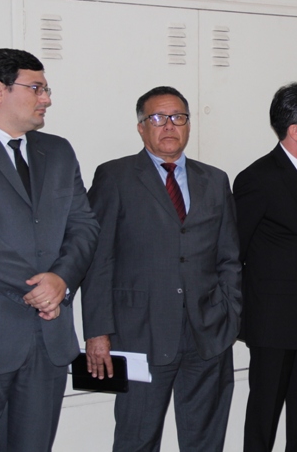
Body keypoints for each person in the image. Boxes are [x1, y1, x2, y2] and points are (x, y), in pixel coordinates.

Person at [0, 48, 99, 451]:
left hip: (48, 342)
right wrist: (37, 287)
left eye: (46, 89)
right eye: (36, 88)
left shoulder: (59, 151)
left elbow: (84, 226)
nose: (46, 98)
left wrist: (61, 279)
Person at [81, 86, 242, 451]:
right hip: (140, 335)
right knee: (137, 439)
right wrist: (98, 332)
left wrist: (229, 314)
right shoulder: (115, 176)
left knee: (206, 441)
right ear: (141, 127)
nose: (169, 125)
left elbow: (229, 257)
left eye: (178, 117)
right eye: (158, 118)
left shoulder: (215, 180)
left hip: (207, 336)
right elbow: (97, 260)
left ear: (189, 125)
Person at [234, 82, 297, 452]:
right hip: (273, 325)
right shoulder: (257, 178)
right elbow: (233, 251)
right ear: (295, 130)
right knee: (264, 416)